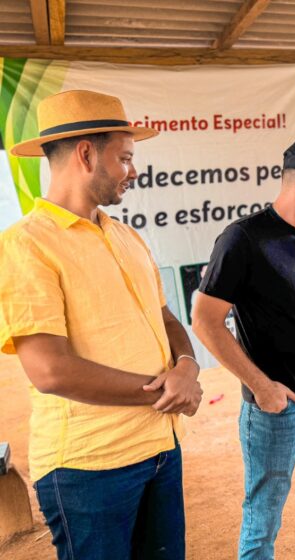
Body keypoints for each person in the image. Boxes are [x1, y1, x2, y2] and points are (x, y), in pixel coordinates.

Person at [0, 90, 203, 559]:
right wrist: (167, 391)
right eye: (125, 157)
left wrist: (188, 366)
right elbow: (51, 371)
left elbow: (166, 317)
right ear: (87, 154)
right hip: (88, 468)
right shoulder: (26, 245)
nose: (133, 171)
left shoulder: (126, 236)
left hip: (160, 449)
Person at [192, 137, 295, 559]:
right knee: (263, 516)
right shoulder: (243, 238)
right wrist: (261, 386)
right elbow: (205, 321)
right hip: (276, 410)